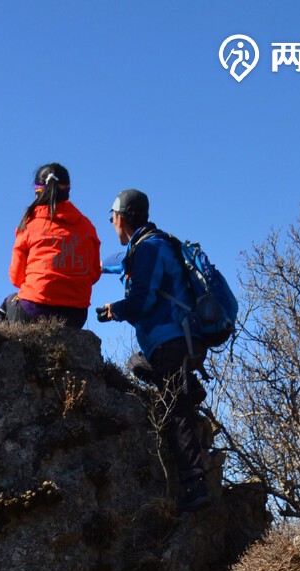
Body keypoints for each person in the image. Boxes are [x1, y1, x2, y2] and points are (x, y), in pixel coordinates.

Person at [96, 189, 210, 513]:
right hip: (179, 340)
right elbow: (117, 263)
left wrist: (112, 310)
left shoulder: (149, 249)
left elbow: (141, 302)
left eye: (112, 218)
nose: (111, 224)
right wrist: (91, 264)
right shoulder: (146, 246)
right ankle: (191, 388)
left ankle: (195, 486)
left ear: (121, 217)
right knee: (140, 366)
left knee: (177, 411)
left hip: (173, 341)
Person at [0, 164, 101, 329]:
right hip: (76, 316)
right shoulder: (87, 226)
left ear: (37, 191)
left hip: (35, 310)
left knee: (8, 302)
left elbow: (16, 278)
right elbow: (94, 275)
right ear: (68, 190)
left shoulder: (29, 224)